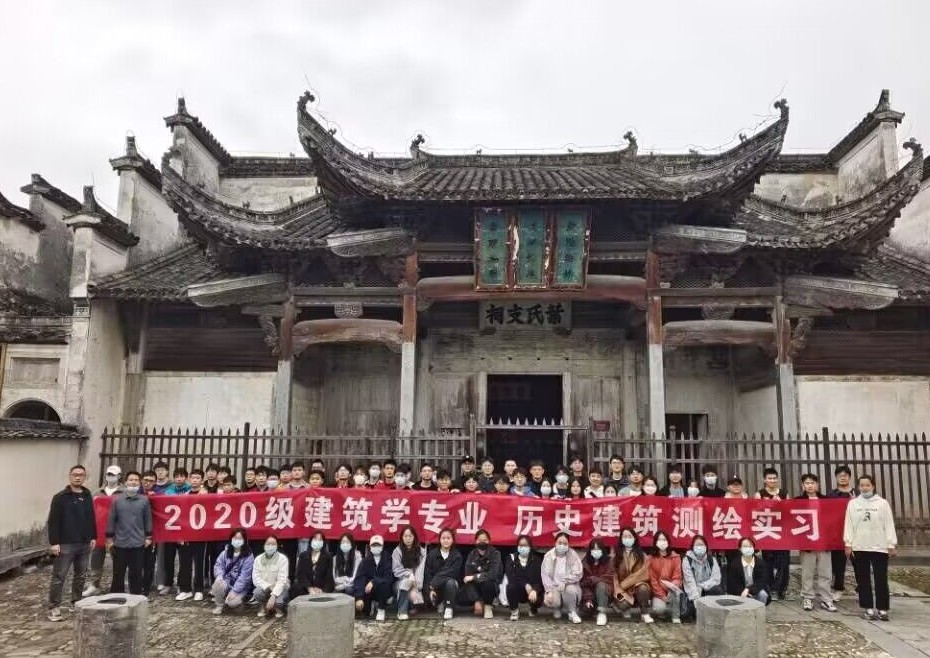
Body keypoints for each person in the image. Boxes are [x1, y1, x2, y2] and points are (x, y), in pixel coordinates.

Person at [46, 464, 97, 622]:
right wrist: (54, 542)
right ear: (69, 476)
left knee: (80, 575)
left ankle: (77, 602)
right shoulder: (60, 497)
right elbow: (53, 521)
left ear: (84, 477)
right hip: (65, 544)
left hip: (84, 543)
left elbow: (91, 517)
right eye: (75, 474)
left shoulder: (87, 495)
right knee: (59, 576)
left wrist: (93, 536)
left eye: (81, 475)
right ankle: (54, 607)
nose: (78, 477)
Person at [844, 474, 897, 621]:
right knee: (863, 579)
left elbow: (889, 524)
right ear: (858, 487)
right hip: (860, 546)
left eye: (867, 485)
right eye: (862, 485)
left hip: (879, 546)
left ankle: (882, 608)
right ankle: (868, 607)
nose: (865, 488)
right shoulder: (853, 504)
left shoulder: (882, 503)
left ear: (873, 486)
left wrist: (891, 544)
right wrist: (848, 543)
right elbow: (849, 524)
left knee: (881, 578)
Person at [106, 471, 153, 595]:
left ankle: (136, 596)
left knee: (136, 573)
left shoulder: (144, 500)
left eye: (136, 480)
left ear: (140, 483)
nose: (133, 482)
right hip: (120, 543)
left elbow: (148, 519)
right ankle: (116, 596)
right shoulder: (117, 500)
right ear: (126, 482)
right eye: (131, 480)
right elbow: (111, 519)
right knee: (118, 573)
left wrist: (148, 537)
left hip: (138, 543)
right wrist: (109, 539)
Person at [795, 473, 836, 612]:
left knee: (826, 572)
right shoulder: (798, 501)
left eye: (812, 483)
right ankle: (807, 597)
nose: (810, 485)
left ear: (817, 485)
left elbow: (833, 519)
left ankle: (826, 599)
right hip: (807, 542)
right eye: (807, 483)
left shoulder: (826, 500)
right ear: (803, 485)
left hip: (824, 541)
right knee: (808, 572)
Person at [84, 464, 124, 596]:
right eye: (108, 474)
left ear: (119, 476)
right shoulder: (97, 493)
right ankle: (94, 585)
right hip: (99, 531)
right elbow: (90, 511)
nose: (110, 477)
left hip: (117, 531)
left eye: (113, 475)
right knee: (96, 558)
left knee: (118, 559)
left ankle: (117, 585)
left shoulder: (124, 492)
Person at [175, 468, 209, 602]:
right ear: (189, 479)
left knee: (199, 563)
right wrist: (180, 533)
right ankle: (186, 589)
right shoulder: (185, 495)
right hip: (186, 533)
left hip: (200, 534)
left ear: (202, 480)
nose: (195, 480)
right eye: (193, 478)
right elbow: (181, 516)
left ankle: (199, 589)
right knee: (184, 562)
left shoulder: (206, 495)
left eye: (197, 478)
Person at [756, 467, 789, 600]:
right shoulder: (760, 493)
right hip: (767, 532)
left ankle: (781, 589)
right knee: (768, 562)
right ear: (765, 480)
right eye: (769, 478)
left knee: (783, 562)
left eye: (774, 478)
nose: (772, 480)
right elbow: (756, 512)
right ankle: (769, 587)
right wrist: (767, 505)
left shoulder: (784, 493)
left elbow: (789, 511)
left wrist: (781, 504)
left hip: (782, 532)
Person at [541, 532, 583, 624]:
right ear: (555, 543)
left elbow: (578, 573)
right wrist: (548, 590)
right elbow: (545, 575)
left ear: (568, 544)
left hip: (569, 584)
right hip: (554, 586)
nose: (562, 546)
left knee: (570, 590)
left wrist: (565, 581)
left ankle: (572, 612)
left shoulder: (573, 555)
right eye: (559, 543)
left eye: (565, 543)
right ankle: (557, 608)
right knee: (552, 599)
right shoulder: (548, 556)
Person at [613, 527, 652, 622]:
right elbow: (614, 577)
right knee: (622, 605)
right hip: (621, 590)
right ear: (621, 539)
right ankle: (625, 606)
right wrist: (619, 590)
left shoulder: (641, 555)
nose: (627, 539)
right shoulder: (617, 555)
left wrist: (625, 584)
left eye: (630, 536)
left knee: (643, 589)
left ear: (634, 538)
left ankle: (644, 613)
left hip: (636, 586)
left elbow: (643, 574)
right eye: (625, 536)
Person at [211, 528, 254, 615]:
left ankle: (238, 602)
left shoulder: (248, 556)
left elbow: (244, 577)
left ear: (244, 540)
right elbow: (218, 565)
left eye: (240, 539)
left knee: (232, 603)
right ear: (231, 539)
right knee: (217, 584)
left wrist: (235, 591)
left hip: (241, 586)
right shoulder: (225, 552)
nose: (237, 541)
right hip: (227, 581)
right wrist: (219, 576)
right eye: (235, 538)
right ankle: (219, 605)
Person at [829, 464, 856, 601]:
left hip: (856, 534)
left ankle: (862, 588)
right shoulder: (831, 495)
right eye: (840, 476)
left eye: (845, 475)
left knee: (859, 562)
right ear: (836, 477)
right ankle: (838, 588)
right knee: (838, 565)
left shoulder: (857, 493)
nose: (843, 478)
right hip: (838, 533)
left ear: (849, 477)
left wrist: (855, 502)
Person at [463, 528, 503, 618]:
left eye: (485, 540)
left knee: (488, 582)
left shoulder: (495, 554)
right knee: (467, 581)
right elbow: (467, 575)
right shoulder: (472, 555)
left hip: (490, 586)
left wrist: (474, 577)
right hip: (476, 587)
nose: (482, 542)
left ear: (489, 541)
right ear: (475, 541)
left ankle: (488, 606)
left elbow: (493, 574)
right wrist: (476, 600)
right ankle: (477, 602)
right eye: (480, 540)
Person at [424, 528, 463, 620]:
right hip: (435, 588)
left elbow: (453, 572)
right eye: (443, 538)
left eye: (448, 538)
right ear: (439, 540)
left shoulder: (457, 555)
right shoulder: (432, 554)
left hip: (451, 587)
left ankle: (449, 608)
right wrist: (430, 589)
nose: (446, 540)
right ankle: (440, 602)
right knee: (428, 597)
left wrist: (435, 581)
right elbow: (428, 574)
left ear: (452, 540)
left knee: (450, 582)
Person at [681, 534, 723, 618]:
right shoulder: (687, 560)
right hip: (692, 592)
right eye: (697, 545)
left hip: (706, 590)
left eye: (701, 545)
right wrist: (696, 597)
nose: (699, 547)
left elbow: (716, 579)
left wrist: (701, 586)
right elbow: (689, 581)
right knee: (691, 613)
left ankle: (711, 612)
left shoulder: (712, 560)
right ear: (692, 547)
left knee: (717, 590)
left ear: (706, 547)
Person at [353, 535, 394, 621]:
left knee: (383, 585)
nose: (376, 547)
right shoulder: (365, 561)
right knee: (366, 613)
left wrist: (374, 581)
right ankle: (372, 603)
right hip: (369, 591)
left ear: (382, 546)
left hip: (384, 589)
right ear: (370, 546)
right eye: (374, 545)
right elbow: (359, 579)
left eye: (378, 545)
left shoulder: (388, 559)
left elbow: (389, 578)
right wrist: (359, 597)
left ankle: (381, 609)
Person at [505, 535, 543, 620]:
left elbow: (539, 578)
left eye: (525, 545)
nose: (523, 548)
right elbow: (511, 576)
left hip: (532, 589)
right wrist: (525, 584)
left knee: (538, 593)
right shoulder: (511, 558)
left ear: (530, 546)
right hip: (518, 589)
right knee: (510, 587)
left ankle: (533, 608)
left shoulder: (536, 559)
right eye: (521, 545)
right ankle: (514, 610)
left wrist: (535, 590)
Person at [392, 526, 426, 620]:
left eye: (410, 536)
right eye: (405, 536)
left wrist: (415, 585)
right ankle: (402, 612)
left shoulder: (422, 552)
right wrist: (409, 574)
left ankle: (411, 606)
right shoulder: (397, 551)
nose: (408, 539)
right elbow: (396, 570)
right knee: (405, 582)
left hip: (416, 583)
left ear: (414, 537)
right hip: (400, 582)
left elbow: (421, 570)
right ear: (402, 537)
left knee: (414, 597)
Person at [648, 530, 682, 623]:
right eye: (659, 540)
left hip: (672, 590)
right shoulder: (651, 559)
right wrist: (662, 596)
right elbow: (653, 581)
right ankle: (662, 610)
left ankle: (675, 615)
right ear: (655, 542)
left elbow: (677, 577)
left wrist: (672, 588)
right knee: (660, 609)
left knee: (674, 593)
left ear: (668, 541)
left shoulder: (676, 557)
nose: (662, 542)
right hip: (659, 593)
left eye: (664, 539)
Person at [252, 535, 289, 618]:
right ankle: (264, 605)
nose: (270, 546)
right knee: (257, 593)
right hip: (265, 588)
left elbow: (282, 580)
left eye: (273, 544)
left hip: (280, 588)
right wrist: (268, 586)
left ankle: (277, 607)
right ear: (264, 545)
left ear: (277, 546)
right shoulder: (258, 559)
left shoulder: (283, 559)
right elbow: (256, 578)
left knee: (279, 602)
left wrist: (273, 595)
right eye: (268, 544)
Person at [726, 536, 770, 604]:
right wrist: (743, 592)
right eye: (745, 547)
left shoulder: (760, 563)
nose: (748, 549)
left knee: (763, 594)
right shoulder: (735, 564)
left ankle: (760, 610)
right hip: (740, 593)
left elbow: (761, 581)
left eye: (750, 546)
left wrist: (749, 590)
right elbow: (733, 584)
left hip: (756, 591)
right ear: (740, 549)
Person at [580, 537, 613, 626]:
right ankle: (593, 609)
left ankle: (602, 613)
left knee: (601, 585)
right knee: (585, 610)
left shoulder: (609, 561)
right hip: (590, 594)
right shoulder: (585, 562)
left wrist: (594, 579)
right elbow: (583, 583)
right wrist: (588, 599)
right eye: (594, 549)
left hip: (605, 593)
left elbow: (609, 578)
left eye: (598, 549)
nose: (596, 551)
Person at [293, 531, 335, 598]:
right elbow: (301, 575)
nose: (317, 542)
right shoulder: (303, 556)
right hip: (306, 588)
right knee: (296, 586)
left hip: (321, 588)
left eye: (320, 540)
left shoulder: (328, 557)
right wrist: (310, 588)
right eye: (315, 539)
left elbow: (329, 577)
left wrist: (322, 590)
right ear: (311, 541)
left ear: (323, 543)